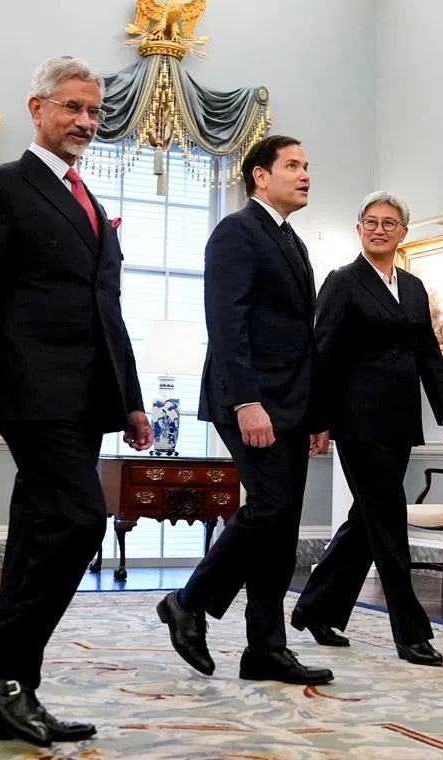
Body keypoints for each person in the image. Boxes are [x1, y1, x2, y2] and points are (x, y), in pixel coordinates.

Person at [0, 55, 152, 747]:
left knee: (36, 536)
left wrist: (131, 401)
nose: (85, 122)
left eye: (93, 112)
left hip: (87, 396)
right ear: (38, 109)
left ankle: (10, 696)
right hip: (31, 391)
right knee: (80, 519)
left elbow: (108, 308)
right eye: (72, 108)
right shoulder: (4, 188)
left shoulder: (89, 200)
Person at [156, 134, 334, 686]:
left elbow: (304, 337)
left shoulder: (294, 242)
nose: (305, 174)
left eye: (308, 165)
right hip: (250, 398)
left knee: (281, 529)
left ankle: (266, 648)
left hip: (294, 404)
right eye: (293, 165)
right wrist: (247, 402)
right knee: (271, 510)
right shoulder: (235, 232)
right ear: (260, 175)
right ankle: (189, 601)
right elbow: (225, 323)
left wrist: (317, 413)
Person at [290, 191, 443, 667]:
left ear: (403, 233)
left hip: (402, 419)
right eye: (371, 222)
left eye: (389, 223)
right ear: (359, 229)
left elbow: (429, 354)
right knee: (386, 521)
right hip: (357, 419)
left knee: (366, 522)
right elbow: (323, 354)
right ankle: (410, 632)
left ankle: (315, 607)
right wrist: (318, 420)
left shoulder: (413, 287)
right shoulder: (343, 282)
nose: (379, 229)